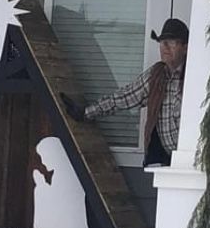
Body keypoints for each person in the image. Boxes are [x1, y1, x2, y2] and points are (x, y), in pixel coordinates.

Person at [61, 18, 189, 166]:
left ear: (185, 48)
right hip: (168, 163)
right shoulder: (157, 75)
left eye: (172, 42)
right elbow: (123, 98)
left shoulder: (195, 76)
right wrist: (85, 112)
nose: (165, 47)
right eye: (162, 42)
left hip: (196, 162)